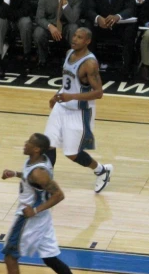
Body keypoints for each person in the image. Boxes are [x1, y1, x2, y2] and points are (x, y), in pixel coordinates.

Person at [0, 132, 97, 274]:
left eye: (28, 142)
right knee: (50, 259)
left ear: (37, 149)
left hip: (29, 219)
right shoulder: (36, 163)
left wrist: (36, 210)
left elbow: (59, 195)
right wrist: (15, 174)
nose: (25, 144)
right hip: (43, 220)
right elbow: (33, 180)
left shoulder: (39, 171)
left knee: (10, 257)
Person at [43, 27, 113, 193]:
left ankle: (102, 170)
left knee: (72, 154)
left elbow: (99, 93)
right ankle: (46, 182)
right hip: (62, 106)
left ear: (87, 41)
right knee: (48, 144)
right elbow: (67, 81)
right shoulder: (69, 53)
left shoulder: (90, 63)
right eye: (74, 35)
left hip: (79, 111)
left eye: (79, 37)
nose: (74, 39)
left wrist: (72, 96)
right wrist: (56, 95)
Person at [85, 0, 137, 75]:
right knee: (88, 26)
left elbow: (131, 8)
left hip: (119, 27)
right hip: (99, 27)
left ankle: (127, 68)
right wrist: (98, 18)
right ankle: (91, 65)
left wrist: (118, 16)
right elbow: (88, 9)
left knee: (131, 29)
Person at [33, 0, 84, 66]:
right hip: (50, 25)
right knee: (38, 32)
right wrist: (50, 27)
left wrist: (65, 2)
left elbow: (73, 19)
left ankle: (73, 59)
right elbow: (39, 18)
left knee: (74, 28)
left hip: (66, 25)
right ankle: (42, 58)